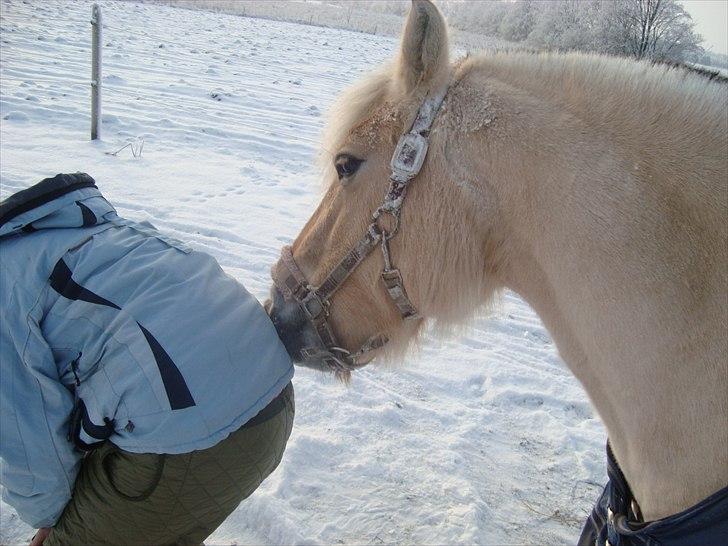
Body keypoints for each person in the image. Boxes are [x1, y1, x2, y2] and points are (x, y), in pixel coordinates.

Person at [0, 173, 295, 546]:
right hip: (273, 402)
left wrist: (56, 523)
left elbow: (32, 450)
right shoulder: (102, 233)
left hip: (200, 438)